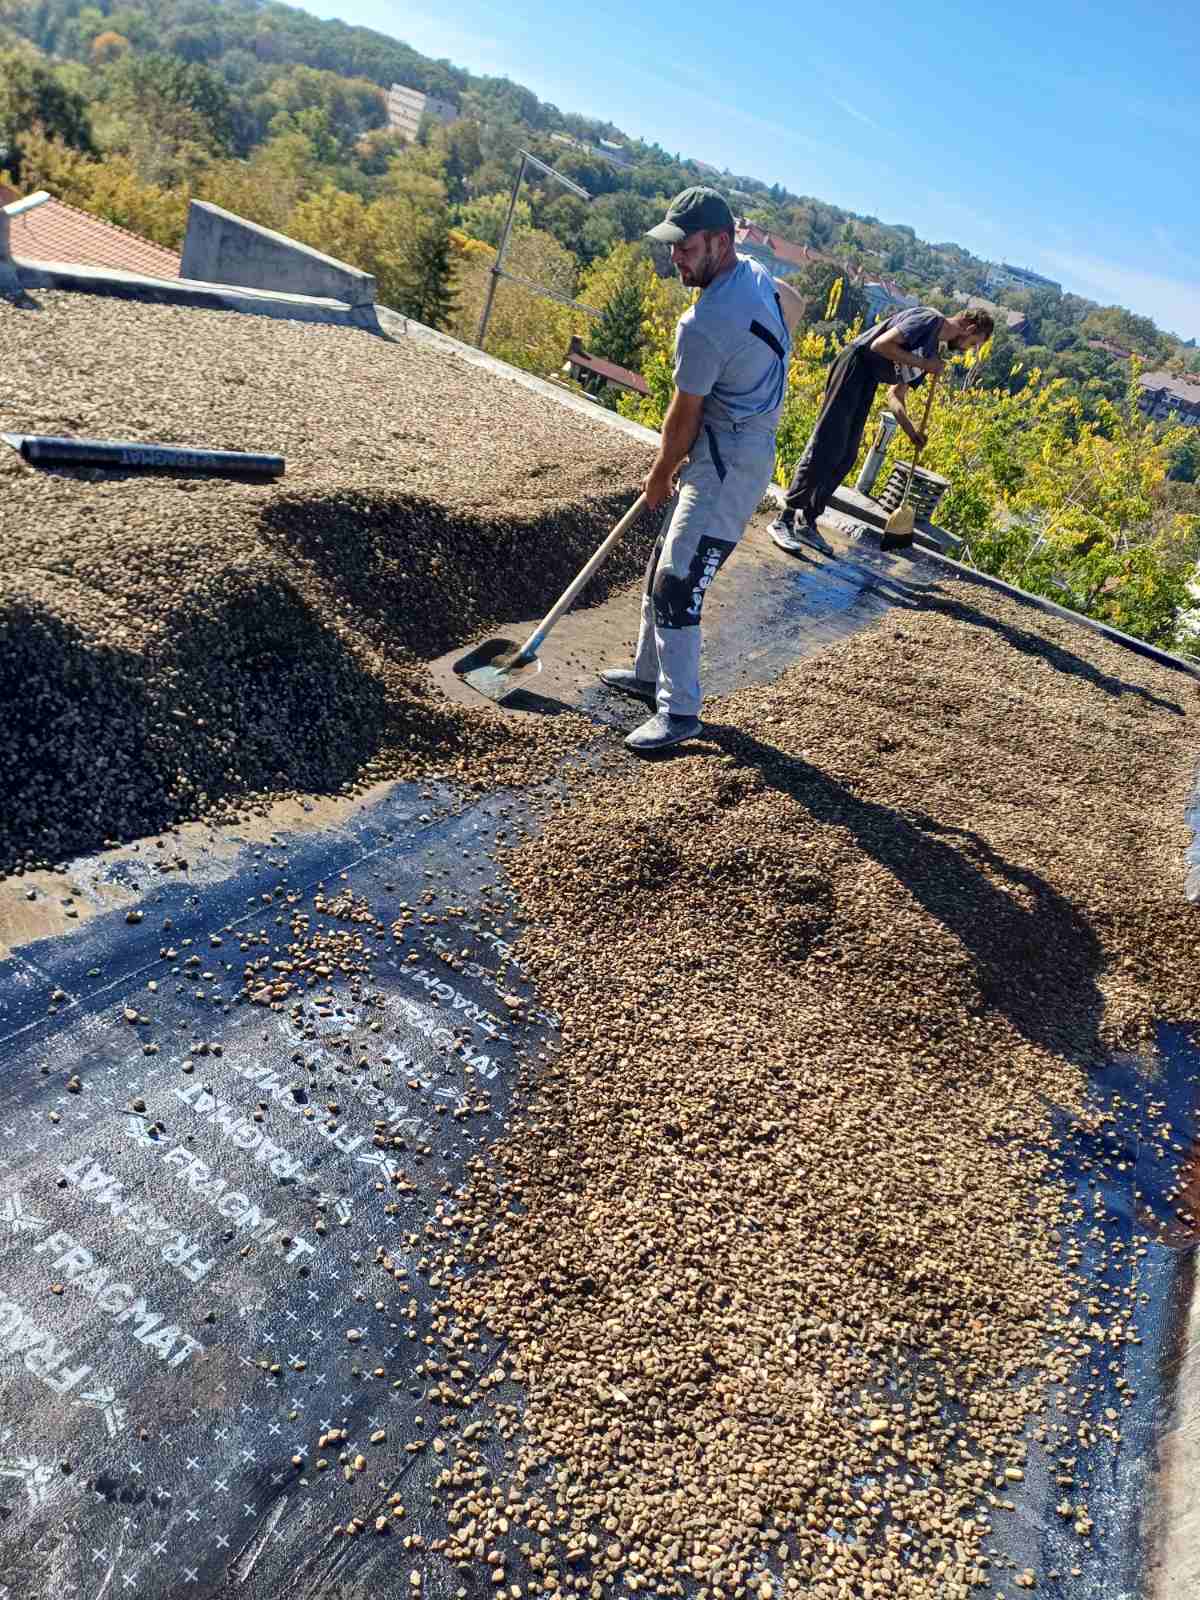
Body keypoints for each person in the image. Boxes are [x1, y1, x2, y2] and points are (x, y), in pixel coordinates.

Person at [600, 186, 799, 753]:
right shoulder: (757, 273)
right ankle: (647, 675)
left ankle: (680, 709)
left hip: (730, 463)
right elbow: (796, 301)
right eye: (672, 247)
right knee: (664, 560)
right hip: (733, 440)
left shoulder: (704, 323)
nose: (675, 259)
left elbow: (681, 417)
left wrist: (661, 474)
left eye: (684, 247)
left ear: (719, 240)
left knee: (678, 582)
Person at [768, 305, 993, 554]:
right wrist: (924, 363)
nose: (969, 349)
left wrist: (911, 431)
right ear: (970, 328)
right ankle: (784, 519)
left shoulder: (931, 352)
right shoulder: (928, 320)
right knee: (827, 444)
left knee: (846, 455)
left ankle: (806, 521)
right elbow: (880, 345)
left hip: (868, 380)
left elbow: (895, 394)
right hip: (854, 365)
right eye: (973, 343)